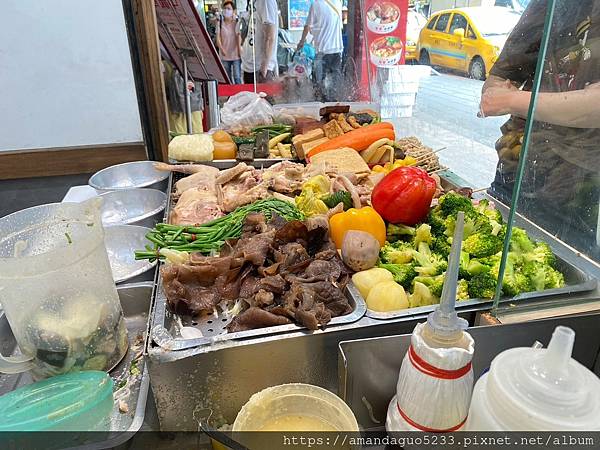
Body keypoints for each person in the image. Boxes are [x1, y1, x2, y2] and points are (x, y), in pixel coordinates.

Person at [480, 0, 600, 254]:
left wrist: (514, 100)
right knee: (495, 248)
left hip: (577, 180)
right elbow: (496, 83)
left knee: (567, 270)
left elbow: (595, 108)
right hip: (517, 164)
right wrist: (500, 94)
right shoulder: (548, 5)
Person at [296, 0, 344, 101]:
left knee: (318, 85)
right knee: (333, 86)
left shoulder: (316, 4)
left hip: (323, 51)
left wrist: (301, 42)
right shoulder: (338, 3)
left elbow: (307, 26)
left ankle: (322, 107)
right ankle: (333, 106)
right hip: (337, 50)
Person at [240, 0, 279, 83]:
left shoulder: (266, 2)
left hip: (259, 68)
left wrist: (265, 65)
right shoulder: (254, 2)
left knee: (260, 95)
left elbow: (270, 36)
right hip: (250, 65)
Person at [216, 0, 242, 84]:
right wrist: (222, 49)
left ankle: (240, 95)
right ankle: (230, 96)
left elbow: (239, 36)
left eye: (229, 8)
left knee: (237, 77)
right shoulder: (219, 22)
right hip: (224, 55)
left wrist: (239, 50)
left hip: (235, 55)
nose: (226, 10)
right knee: (227, 78)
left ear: (233, 10)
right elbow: (218, 37)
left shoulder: (237, 21)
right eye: (225, 8)